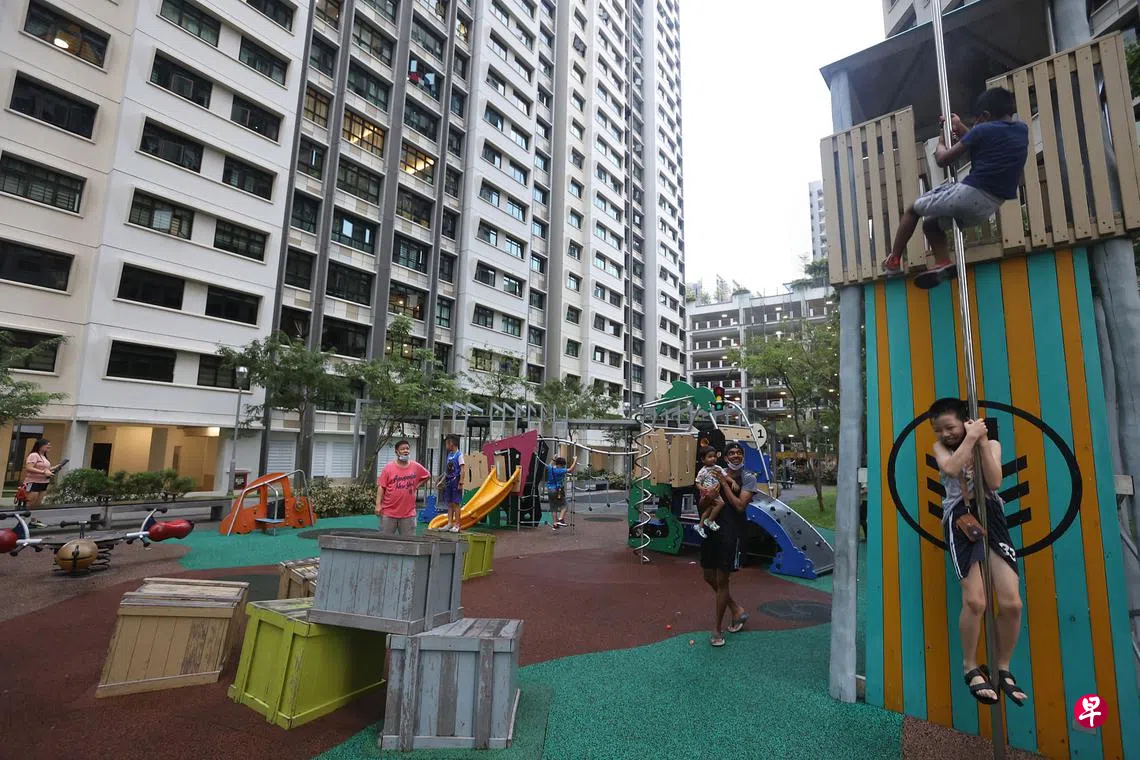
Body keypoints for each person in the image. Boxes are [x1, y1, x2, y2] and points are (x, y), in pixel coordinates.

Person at [929, 397, 1028, 707]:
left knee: (1012, 603)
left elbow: (994, 481)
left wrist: (982, 442)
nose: (944, 434)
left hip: (992, 516)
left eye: (950, 427)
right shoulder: (941, 448)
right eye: (938, 429)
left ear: (966, 421)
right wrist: (970, 438)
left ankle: (1002, 667)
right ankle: (970, 666)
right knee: (975, 601)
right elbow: (950, 468)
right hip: (961, 517)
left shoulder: (990, 444)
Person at [882, 88, 1029, 286]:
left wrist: (941, 141)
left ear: (986, 115)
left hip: (970, 194)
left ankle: (893, 260)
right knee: (930, 224)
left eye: (977, 120)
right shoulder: (1021, 131)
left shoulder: (982, 131)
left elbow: (942, 160)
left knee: (912, 210)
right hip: (989, 207)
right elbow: (982, 141)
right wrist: (959, 127)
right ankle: (943, 263)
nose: (975, 125)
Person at [698, 442, 755, 647]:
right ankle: (736, 609)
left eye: (739, 453)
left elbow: (739, 506)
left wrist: (723, 483)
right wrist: (707, 496)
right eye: (731, 453)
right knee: (708, 576)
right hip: (711, 529)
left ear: (743, 456)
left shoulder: (748, 477)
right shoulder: (712, 472)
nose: (735, 456)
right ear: (725, 457)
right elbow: (702, 505)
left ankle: (717, 630)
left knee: (722, 581)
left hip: (730, 533)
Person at [375, 440, 431, 536]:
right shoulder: (388, 468)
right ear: (397, 452)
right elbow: (381, 486)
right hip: (388, 512)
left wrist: (416, 486)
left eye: (407, 449)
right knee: (385, 540)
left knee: (409, 542)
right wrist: (378, 504)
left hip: (408, 514)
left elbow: (427, 475)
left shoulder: (415, 466)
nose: (405, 451)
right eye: (402, 449)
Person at [22, 438, 63, 528]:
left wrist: (54, 468)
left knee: (38, 503)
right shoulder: (34, 455)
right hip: (32, 482)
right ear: (40, 446)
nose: (49, 446)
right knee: (30, 502)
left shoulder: (44, 457)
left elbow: (45, 469)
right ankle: (22, 521)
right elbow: (29, 468)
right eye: (47, 445)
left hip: (43, 482)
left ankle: (34, 521)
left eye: (50, 445)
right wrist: (43, 472)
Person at [693, 446, 726, 539]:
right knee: (721, 503)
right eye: (710, 456)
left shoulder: (718, 468)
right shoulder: (702, 471)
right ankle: (710, 520)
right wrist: (702, 489)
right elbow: (697, 482)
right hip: (708, 492)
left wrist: (732, 481)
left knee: (710, 508)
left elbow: (725, 476)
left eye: (714, 456)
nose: (713, 458)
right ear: (703, 460)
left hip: (715, 491)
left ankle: (700, 526)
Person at [436, 435, 465, 533]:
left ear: (451, 443)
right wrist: (441, 480)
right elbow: (447, 470)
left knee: (456, 503)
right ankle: (449, 523)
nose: (446, 445)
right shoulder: (449, 455)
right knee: (449, 503)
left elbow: (463, 469)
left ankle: (457, 525)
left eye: (447, 443)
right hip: (449, 481)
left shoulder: (459, 455)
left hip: (456, 481)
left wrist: (461, 482)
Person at [547, 454, 577, 530]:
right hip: (558, 490)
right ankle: (560, 519)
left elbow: (550, 464)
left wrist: (553, 458)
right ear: (561, 465)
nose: (564, 466)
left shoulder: (550, 468)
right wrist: (575, 460)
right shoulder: (560, 470)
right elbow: (570, 469)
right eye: (563, 465)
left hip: (550, 490)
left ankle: (555, 524)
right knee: (564, 505)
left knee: (553, 507)